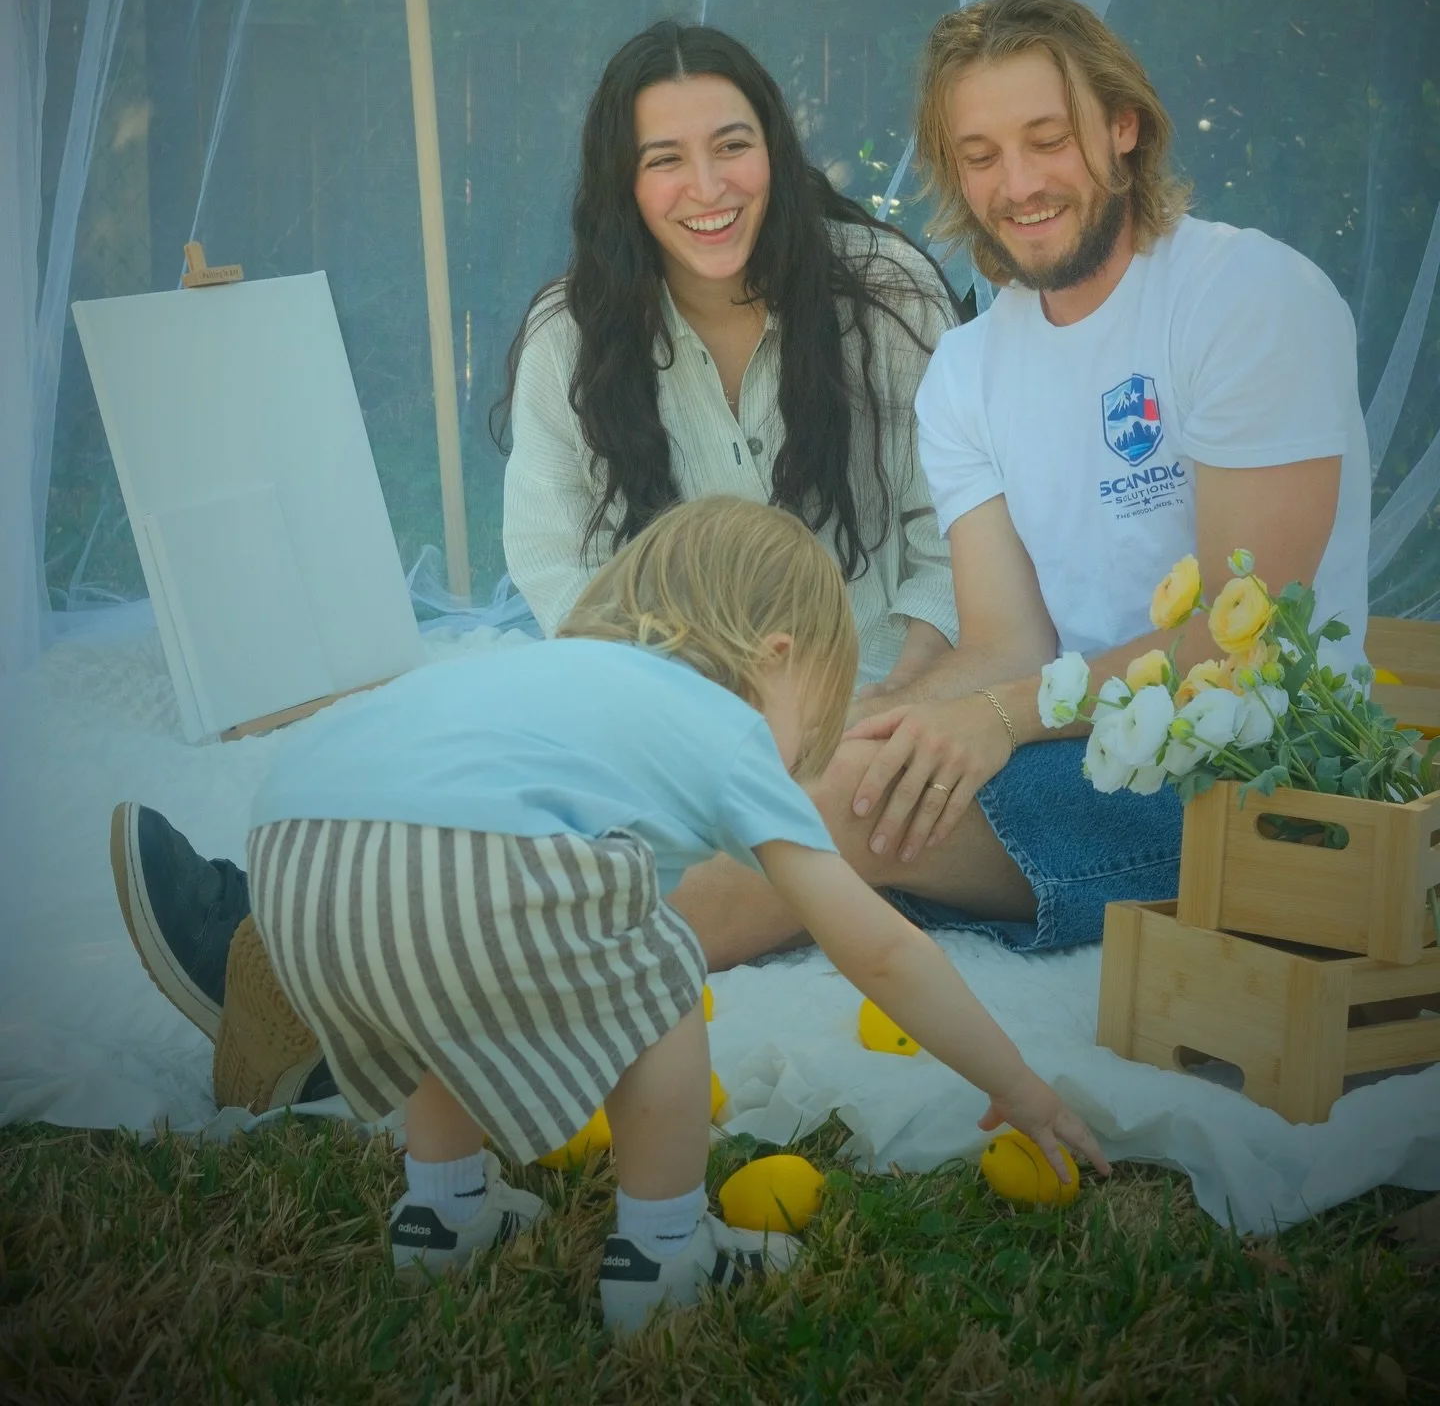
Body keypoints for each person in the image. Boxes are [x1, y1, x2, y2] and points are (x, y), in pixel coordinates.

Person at [111, 19, 969, 1109]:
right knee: (506, 775)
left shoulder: (884, 294)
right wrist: (663, 720)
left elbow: (952, 537)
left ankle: (320, 989)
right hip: (654, 700)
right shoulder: (576, 333)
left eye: (733, 145)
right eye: (665, 159)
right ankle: (308, 942)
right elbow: (558, 569)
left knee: (760, 816)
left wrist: (899, 694)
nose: (707, 186)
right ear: (624, 182)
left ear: (780, 152)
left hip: (868, 694)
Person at [241, 494, 1107, 1331]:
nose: (800, 758)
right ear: (774, 657)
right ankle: (663, 1257)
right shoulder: (723, 724)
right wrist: (1014, 1082)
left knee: (440, 971)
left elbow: (432, 850)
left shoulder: (540, 673)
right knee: (660, 977)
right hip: (441, 858)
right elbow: (880, 949)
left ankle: (443, 1213)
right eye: (812, 720)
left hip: (293, 853)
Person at [667, 0, 1370, 965]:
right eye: (981, 155)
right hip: (1076, 749)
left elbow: (1238, 638)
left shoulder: (1247, 299)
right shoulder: (968, 371)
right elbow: (1006, 643)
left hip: (1254, 785)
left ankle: (539, 1009)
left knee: (838, 810)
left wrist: (992, 719)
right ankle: (529, 967)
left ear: (1124, 126)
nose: (1020, 184)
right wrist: (870, 722)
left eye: (1049, 139)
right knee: (815, 771)